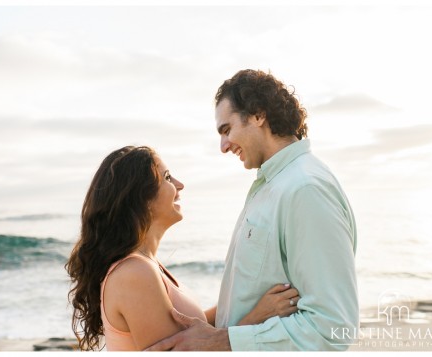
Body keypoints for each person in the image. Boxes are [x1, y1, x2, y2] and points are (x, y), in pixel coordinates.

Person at [147, 69, 359, 351]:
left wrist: (221, 341)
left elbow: (333, 327)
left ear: (258, 115)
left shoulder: (305, 189)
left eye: (226, 130)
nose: (223, 146)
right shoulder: (273, 185)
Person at [65, 145, 301, 351]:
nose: (180, 185)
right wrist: (255, 318)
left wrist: (254, 295)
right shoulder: (133, 273)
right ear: (139, 197)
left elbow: (193, 329)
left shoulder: (147, 265)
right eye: (167, 177)